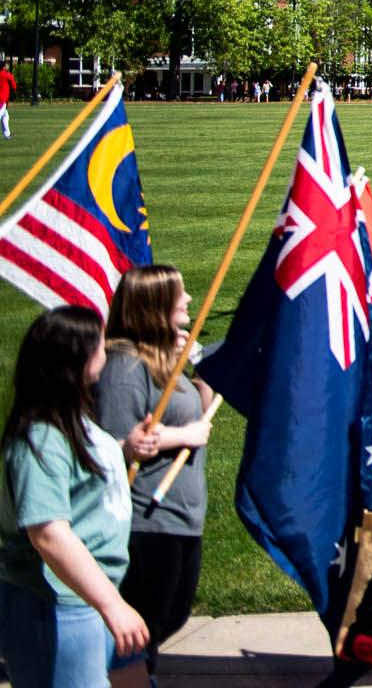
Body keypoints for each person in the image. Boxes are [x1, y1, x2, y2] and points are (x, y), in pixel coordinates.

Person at [0, 305, 155, 688]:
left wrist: (125, 448)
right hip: (58, 604)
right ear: (76, 359)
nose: (107, 350)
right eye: (99, 344)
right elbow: (48, 533)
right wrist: (111, 606)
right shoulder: (41, 439)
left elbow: (77, 475)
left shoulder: (72, 423)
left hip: (95, 594)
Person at [93, 267, 216, 676]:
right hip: (146, 517)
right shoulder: (125, 369)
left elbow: (201, 408)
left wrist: (195, 363)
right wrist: (182, 436)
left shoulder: (163, 359)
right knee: (143, 624)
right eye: (179, 294)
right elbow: (112, 445)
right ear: (154, 306)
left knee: (171, 616)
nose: (188, 301)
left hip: (180, 515)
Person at [0, 61, 15, 140]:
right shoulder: (7, 75)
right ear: (3, 67)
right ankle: (7, 135)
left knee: (5, 116)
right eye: (6, 65)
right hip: (2, 98)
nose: (7, 66)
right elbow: (14, 86)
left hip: (2, 99)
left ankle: (7, 135)